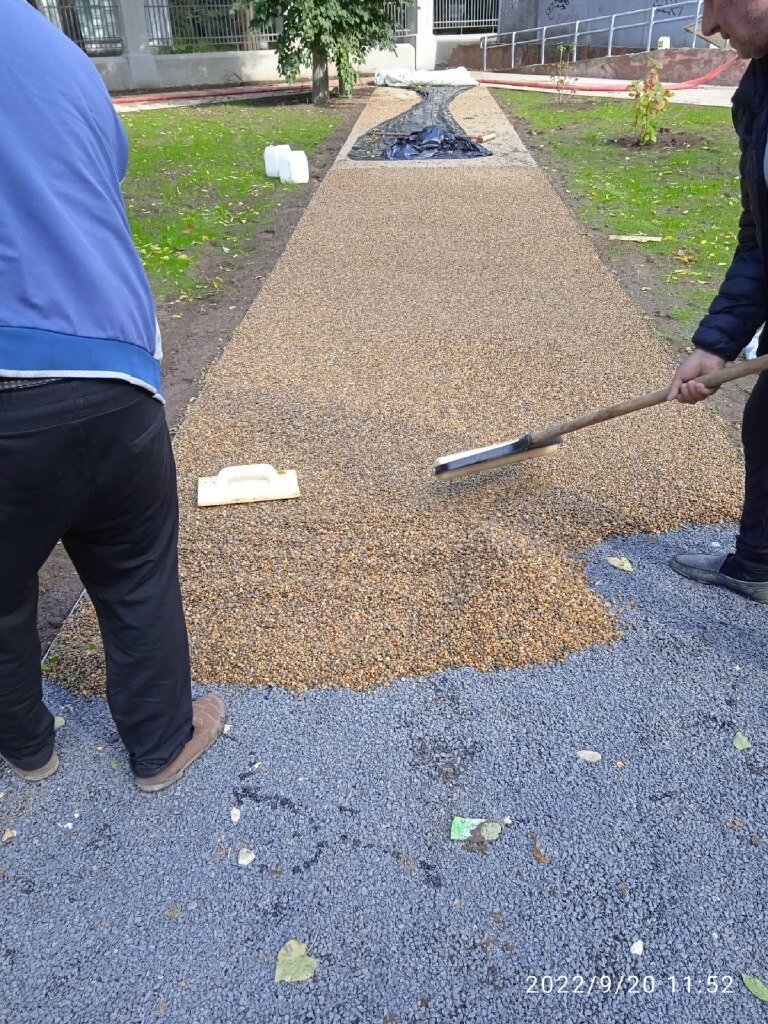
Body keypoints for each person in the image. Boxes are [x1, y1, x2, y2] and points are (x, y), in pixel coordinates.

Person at [0, 0, 226, 790]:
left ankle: (28, 747)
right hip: (116, 369)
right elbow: (102, 169)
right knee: (137, 575)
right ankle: (159, 745)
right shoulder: (59, 54)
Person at [668, 0, 768, 604]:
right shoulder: (759, 91)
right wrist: (716, 343)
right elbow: (761, 235)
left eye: (717, 1)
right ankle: (757, 562)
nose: (707, 26)